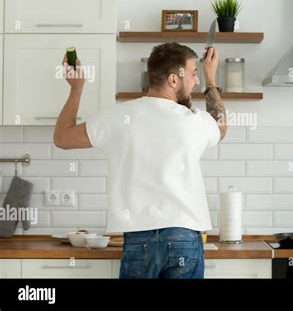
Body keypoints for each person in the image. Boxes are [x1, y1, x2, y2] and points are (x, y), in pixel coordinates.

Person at [54, 42, 226, 279]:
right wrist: (211, 78)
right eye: (194, 74)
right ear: (173, 80)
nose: (196, 82)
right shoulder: (194, 120)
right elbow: (222, 126)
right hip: (183, 239)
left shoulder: (116, 117)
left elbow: (62, 138)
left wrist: (77, 88)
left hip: (138, 241)